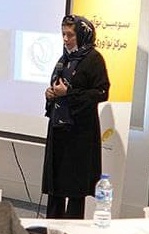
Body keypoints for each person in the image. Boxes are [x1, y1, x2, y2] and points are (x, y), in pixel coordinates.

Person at [42, 14, 110, 219]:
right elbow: (58, 86)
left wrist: (69, 93)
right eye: (63, 34)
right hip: (59, 130)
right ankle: (51, 228)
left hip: (79, 134)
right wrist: (50, 93)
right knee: (55, 186)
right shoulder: (64, 59)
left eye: (70, 35)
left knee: (74, 189)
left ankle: (72, 232)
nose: (65, 39)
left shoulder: (93, 59)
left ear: (82, 34)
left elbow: (102, 92)